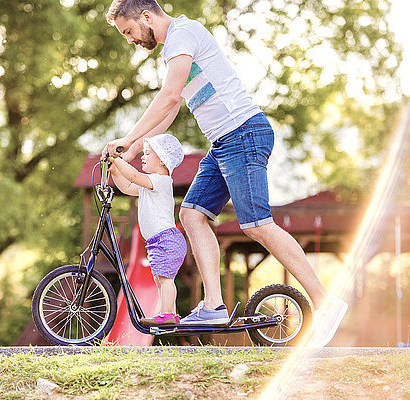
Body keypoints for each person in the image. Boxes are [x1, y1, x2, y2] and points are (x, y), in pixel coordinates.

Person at [102, 0, 347, 346]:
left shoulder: (182, 35)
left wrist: (127, 138)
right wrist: (133, 147)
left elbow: (169, 97)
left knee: (257, 225)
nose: (130, 39)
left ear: (146, 16)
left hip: (243, 132)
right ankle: (214, 305)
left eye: (128, 31)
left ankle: (325, 303)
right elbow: (170, 111)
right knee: (191, 215)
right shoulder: (173, 50)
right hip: (224, 142)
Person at [107, 133, 187, 326]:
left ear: (162, 161)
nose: (142, 157)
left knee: (165, 279)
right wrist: (116, 172)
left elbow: (133, 175)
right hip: (157, 241)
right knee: (161, 280)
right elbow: (127, 186)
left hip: (166, 239)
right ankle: (170, 314)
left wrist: (117, 159)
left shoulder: (160, 181)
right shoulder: (148, 186)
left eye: (148, 154)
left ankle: (167, 314)